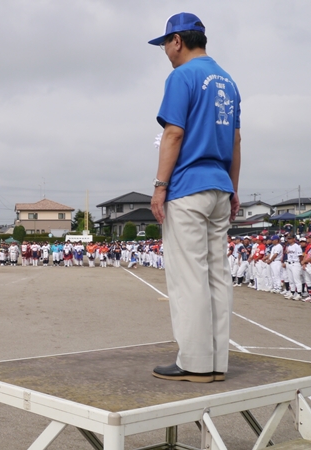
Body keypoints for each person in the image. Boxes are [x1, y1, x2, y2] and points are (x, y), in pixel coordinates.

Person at [148, 12, 241, 383]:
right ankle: (218, 362)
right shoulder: (228, 81)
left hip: (188, 186)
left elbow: (173, 133)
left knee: (189, 278)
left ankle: (196, 362)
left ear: (177, 41)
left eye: (165, 45)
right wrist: (233, 188)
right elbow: (235, 141)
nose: (165, 52)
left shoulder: (182, 76)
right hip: (220, 184)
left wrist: (159, 185)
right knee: (218, 275)